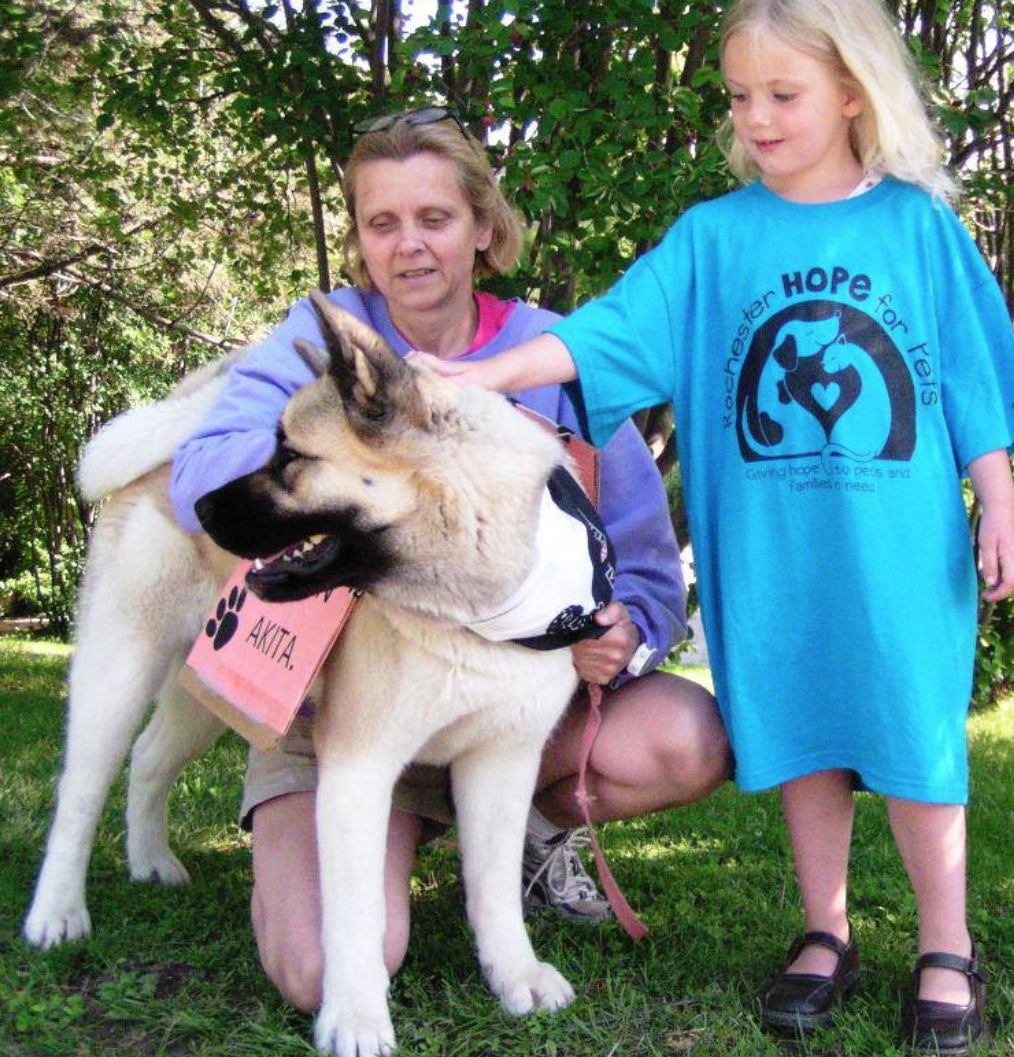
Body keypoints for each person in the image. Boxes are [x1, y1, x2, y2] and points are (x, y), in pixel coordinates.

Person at [413, 3, 1014, 1052]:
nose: (757, 117)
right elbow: (606, 334)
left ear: (852, 92)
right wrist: (487, 374)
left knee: (916, 731)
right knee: (800, 724)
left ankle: (945, 944)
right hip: (772, 553)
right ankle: (825, 930)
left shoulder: (916, 227)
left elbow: (972, 373)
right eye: (741, 96)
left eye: (783, 94)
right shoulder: (714, 238)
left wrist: (998, 494)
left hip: (900, 556)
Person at [170, 107, 731, 1013]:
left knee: (685, 735)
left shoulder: (551, 351)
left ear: (482, 226)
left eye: (434, 218)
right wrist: (345, 452)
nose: (409, 245)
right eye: (381, 222)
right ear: (359, 237)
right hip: (348, 711)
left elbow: (649, 571)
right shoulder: (327, 336)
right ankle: (331, 846)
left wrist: (624, 631)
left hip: (509, 705)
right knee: (321, 971)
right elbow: (201, 476)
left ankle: (521, 842)